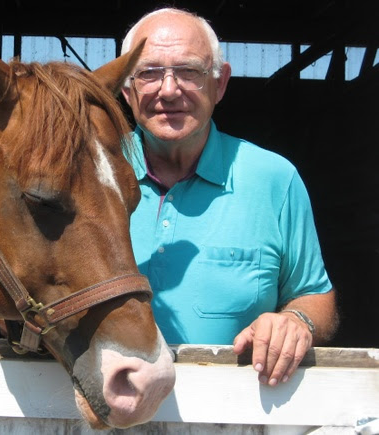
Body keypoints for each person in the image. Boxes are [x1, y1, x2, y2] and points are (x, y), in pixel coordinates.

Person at [120, 7, 338, 387]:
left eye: (189, 71)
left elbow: (315, 295)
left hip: (234, 410)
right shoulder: (86, 173)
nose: (168, 90)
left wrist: (295, 321)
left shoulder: (274, 179)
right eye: (149, 73)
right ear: (126, 89)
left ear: (219, 84)